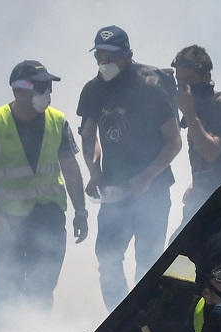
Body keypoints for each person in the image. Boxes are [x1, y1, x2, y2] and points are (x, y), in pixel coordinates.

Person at [0, 61, 88, 332]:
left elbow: (70, 167)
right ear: (18, 90)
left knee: (41, 284)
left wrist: (81, 211)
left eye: (49, 87)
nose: (47, 93)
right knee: (5, 284)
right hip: (6, 219)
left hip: (48, 217)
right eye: (40, 86)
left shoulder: (58, 121)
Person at [77, 26, 182, 310]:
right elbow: (88, 136)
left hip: (153, 189)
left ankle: (145, 321)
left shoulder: (150, 87)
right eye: (100, 54)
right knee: (108, 259)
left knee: (148, 264)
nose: (104, 61)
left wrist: (147, 177)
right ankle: (118, 319)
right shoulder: (92, 91)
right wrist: (94, 172)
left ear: (128, 56)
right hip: (114, 190)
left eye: (111, 55)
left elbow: (174, 142)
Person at [171, 45, 221, 225]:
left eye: (188, 81)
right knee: (176, 248)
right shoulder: (197, 109)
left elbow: (210, 152)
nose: (184, 88)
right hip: (201, 202)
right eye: (179, 82)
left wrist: (189, 113)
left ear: (207, 77)